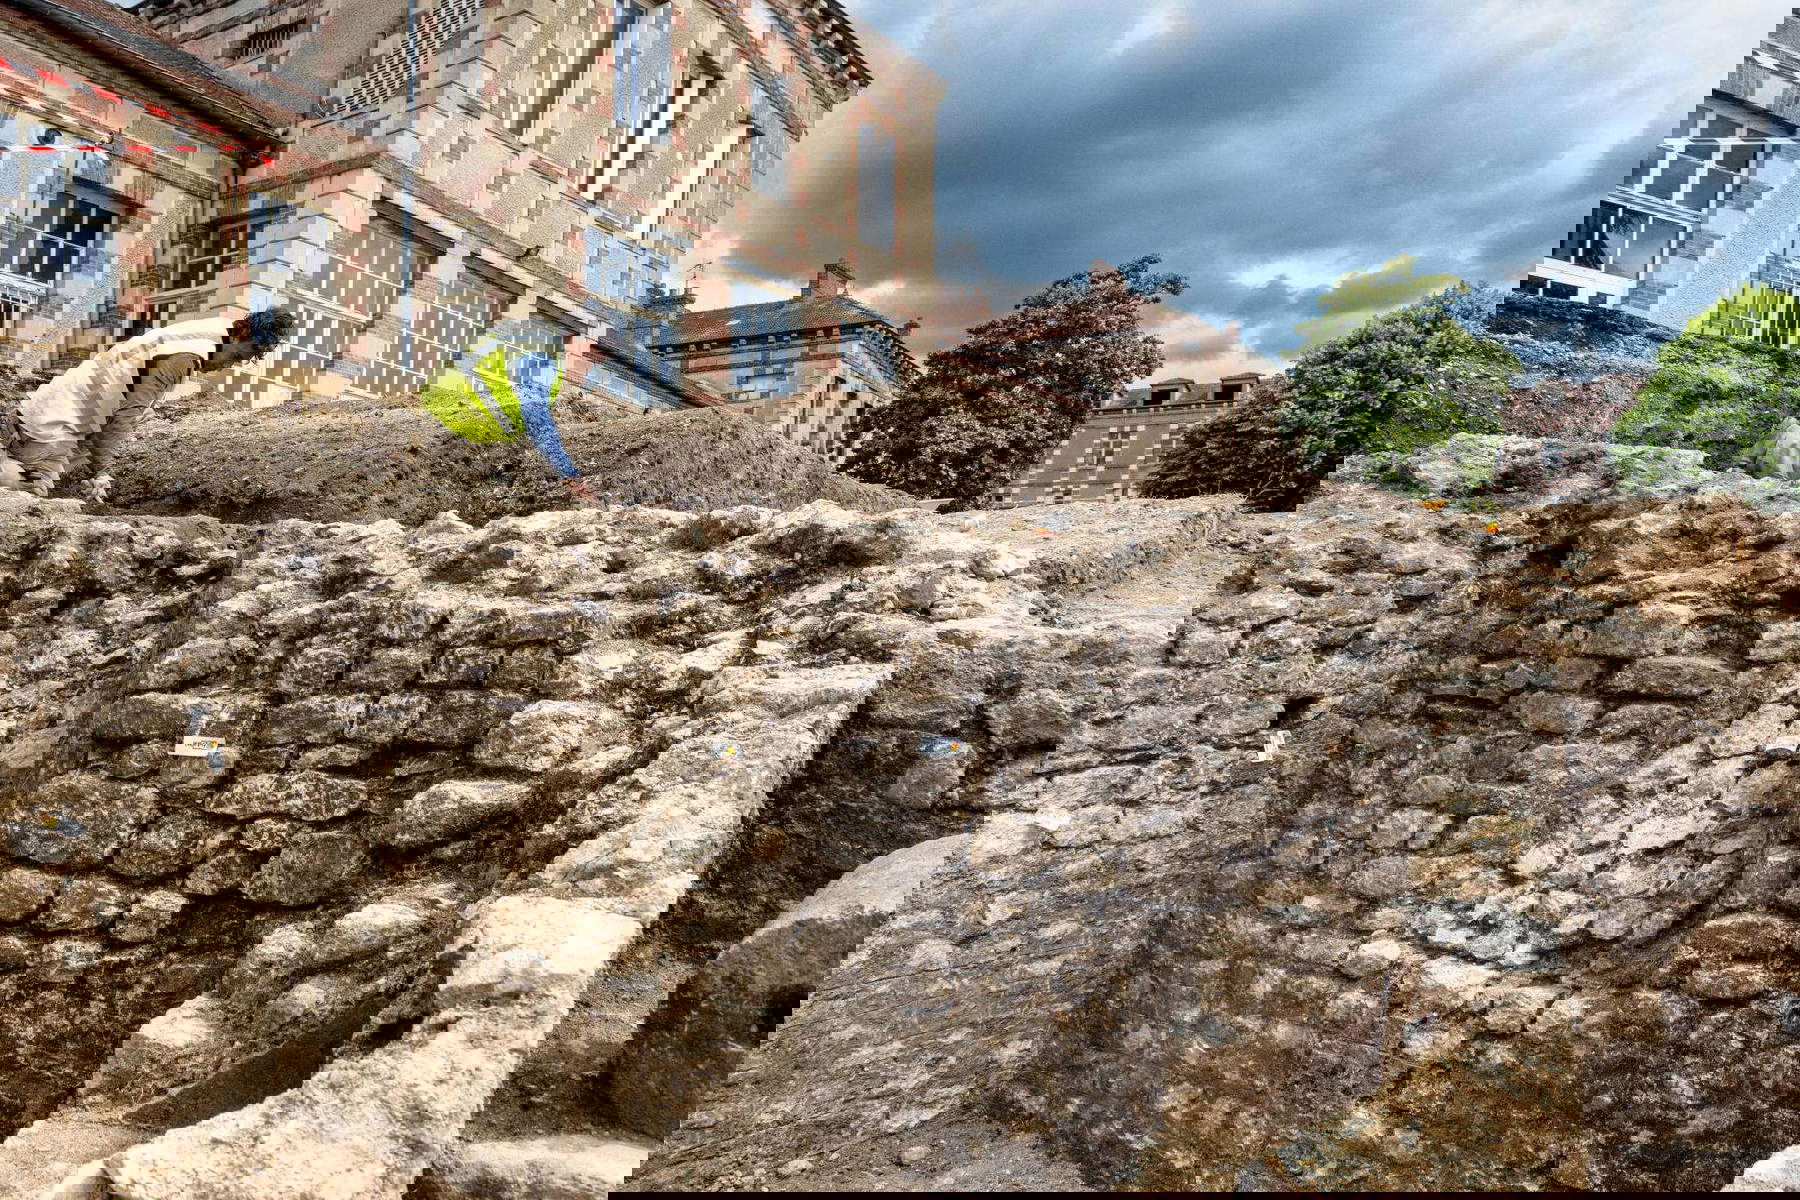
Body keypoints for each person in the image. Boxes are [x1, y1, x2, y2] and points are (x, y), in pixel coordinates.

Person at [0, 308, 295, 501]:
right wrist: (99, 471)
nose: (245, 360)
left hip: (49, 411)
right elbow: (122, 419)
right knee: (25, 495)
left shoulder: (209, 330)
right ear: (241, 334)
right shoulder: (186, 355)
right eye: (252, 350)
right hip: (54, 424)